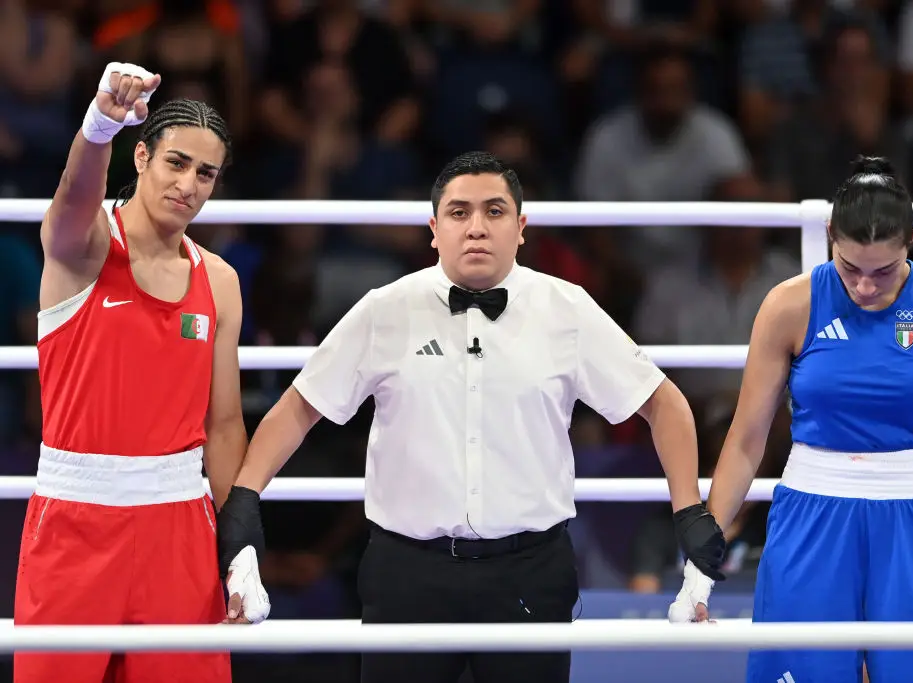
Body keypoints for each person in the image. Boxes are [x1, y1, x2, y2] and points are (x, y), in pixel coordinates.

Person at [214, 151, 728, 683]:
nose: (476, 227)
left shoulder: (566, 309)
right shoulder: (385, 309)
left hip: (530, 569)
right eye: (459, 213)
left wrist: (688, 511)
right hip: (408, 569)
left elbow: (664, 403)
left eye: (494, 212)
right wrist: (244, 503)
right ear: (434, 229)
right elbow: (299, 408)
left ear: (521, 227)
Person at [687, 156, 913, 683]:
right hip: (811, 518)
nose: (865, 288)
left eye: (883, 271)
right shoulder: (788, 306)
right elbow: (747, 438)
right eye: (850, 269)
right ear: (828, 237)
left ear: (912, 239)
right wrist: (702, 555)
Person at [14, 62, 268, 683]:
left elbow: (226, 420)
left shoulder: (221, 281)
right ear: (142, 157)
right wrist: (100, 123)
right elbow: (71, 203)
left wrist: (238, 545)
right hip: (74, 519)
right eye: (175, 163)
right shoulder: (85, 245)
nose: (188, 184)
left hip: (179, 525)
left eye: (205, 173)